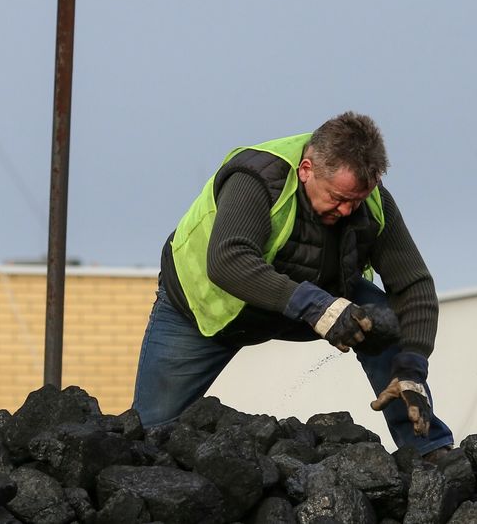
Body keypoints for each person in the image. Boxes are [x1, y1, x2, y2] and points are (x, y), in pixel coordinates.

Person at [132, 111, 454, 458]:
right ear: (306, 170)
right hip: (205, 307)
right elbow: (228, 260)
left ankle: (428, 451)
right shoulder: (255, 178)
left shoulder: (374, 202)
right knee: (150, 436)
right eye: (337, 198)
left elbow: (414, 287)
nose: (347, 211)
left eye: (356, 201)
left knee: (386, 323)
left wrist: (413, 365)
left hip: (312, 299)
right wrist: (316, 306)